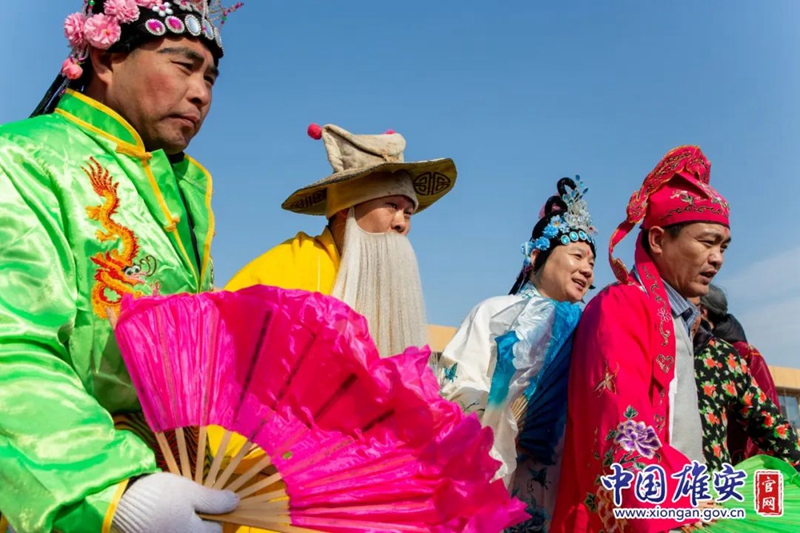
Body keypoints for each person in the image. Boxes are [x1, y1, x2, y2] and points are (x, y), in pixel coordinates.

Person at [0, 2, 244, 532]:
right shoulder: (20, 159)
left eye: (210, 78)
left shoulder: (185, 190)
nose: (201, 93)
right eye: (184, 66)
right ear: (106, 59)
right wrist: (113, 491)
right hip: (71, 488)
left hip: (179, 480)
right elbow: (10, 349)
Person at [438, 177, 596, 532]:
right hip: (497, 466)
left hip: (564, 473)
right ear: (537, 256)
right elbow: (455, 387)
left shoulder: (589, 327)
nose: (587, 269)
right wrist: (501, 409)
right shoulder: (495, 312)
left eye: (592, 262)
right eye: (577, 255)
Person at [226, 122, 457, 358]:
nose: (402, 223)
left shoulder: (386, 289)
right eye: (391, 205)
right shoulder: (285, 270)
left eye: (408, 213)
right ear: (346, 209)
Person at [698, 284, 783, 463]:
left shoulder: (743, 354)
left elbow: (765, 414)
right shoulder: (692, 350)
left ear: (702, 311)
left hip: (740, 461)